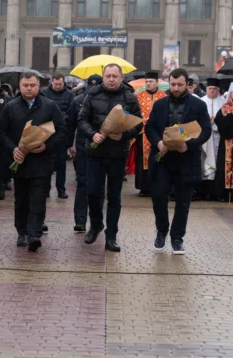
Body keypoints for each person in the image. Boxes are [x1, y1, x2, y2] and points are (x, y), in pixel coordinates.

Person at [77, 64, 142, 252]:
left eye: (115, 76)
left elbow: (138, 123)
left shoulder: (130, 97)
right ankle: (96, 224)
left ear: (121, 78)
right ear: (103, 77)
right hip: (95, 152)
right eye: (108, 76)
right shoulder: (92, 94)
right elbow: (82, 120)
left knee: (114, 197)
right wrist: (92, 134)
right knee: (93, 193)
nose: (111, 79)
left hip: (117, 154)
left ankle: (111, 236)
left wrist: (125, 134)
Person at [146, 68, 211, 255]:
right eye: (173, 85)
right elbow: (150, 126)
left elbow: (205, 130)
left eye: (180, 85)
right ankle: (161, 232)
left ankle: (177, 238)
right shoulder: (159, 104)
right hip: (163, 159)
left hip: (186, 160)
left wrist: (189, 145)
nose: (176, 88)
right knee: (158, 197)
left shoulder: (198, 106)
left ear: (187, 85)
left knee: (183, 202)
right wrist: (158, 142)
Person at [0, 71, 65, 251]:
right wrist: (13, 149)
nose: (29, 88)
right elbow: (1, 132)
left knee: (38, 198)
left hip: (41, 161)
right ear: (20, 87)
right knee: (21, 199)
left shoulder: (50, 106)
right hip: (19, 162)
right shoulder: (10, 107)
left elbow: (61, 130)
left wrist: (47, 146)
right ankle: (22, 232)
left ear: (38, 86)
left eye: (32, 85)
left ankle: (34, 234)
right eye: (25, 85)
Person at [66, 74, 102, 233]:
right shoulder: (77, 101)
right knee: (83, 183)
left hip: (102, 148)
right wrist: (69, 145)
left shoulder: (106, 101)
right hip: (81, 146)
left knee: (99, 185)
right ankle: (80, 221)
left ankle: (97, 220)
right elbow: (70, 124)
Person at [39, 73, 74, 199]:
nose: (58, 86)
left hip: (62, 132)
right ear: (52, 82)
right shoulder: (44, 92)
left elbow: (71, 113)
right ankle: (46, 189)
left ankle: (61, 189)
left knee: (61, 164)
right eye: (55, 84)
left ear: (64, 83)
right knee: (47, 163)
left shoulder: (69, 94)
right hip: (47, 132)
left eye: (60, 84)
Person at [133, 71, 166, 197]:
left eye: (151, 81)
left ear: (157, 82)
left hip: (158, 134)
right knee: (142, 159)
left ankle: (156, 186)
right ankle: (143, 187)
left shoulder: (163, 96)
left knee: (158, 159)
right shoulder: (139, 96)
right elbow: (134, 113)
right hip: (142, 133)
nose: (148, 84)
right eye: (146, 82)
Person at [197, 77, 224, 200]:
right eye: (210, 88)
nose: (212, 91)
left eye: (214, 89)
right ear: (206, 89)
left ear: (218, 90)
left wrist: (217, 121)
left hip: (217, 136)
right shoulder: (201, 102)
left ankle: (214, 190)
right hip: (204, 137)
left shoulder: (224, 102)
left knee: (216, 161)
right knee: (204, 161)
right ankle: (202, 190)